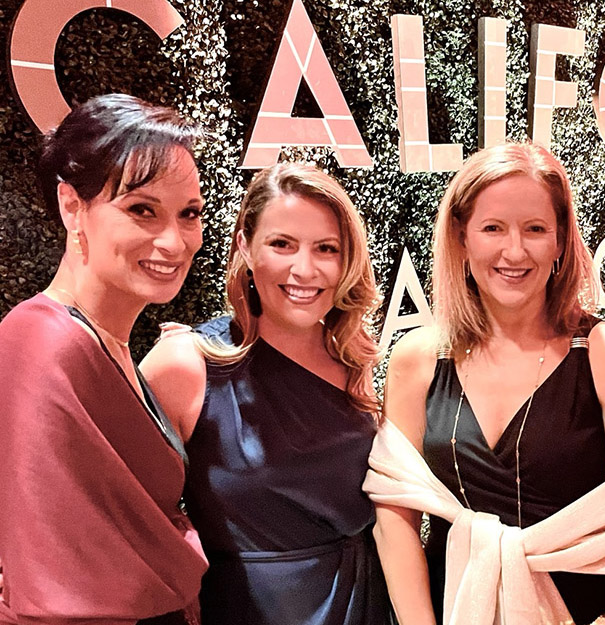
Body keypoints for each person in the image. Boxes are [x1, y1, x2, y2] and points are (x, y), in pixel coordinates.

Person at [364, 142, 605, 625]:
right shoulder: (418, 358)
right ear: (461, 237)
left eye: (535, 230)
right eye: (493, 228)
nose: (515, 251)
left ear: (560, 242)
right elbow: (395, 518)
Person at [139, 163, 391, 625]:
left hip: (368, 603)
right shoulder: (186, 364)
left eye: (326, 249)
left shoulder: (354, 358)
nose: (305, 269)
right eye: (282, 244)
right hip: (249, 610)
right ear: (245, 248)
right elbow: (131, 524)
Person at [0, 94, 208, 623]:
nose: (174, 240)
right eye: (142, 210)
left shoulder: (109, 343)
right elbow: (54, 584)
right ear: (72, 206)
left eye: (189, 215)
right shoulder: (41, 344)